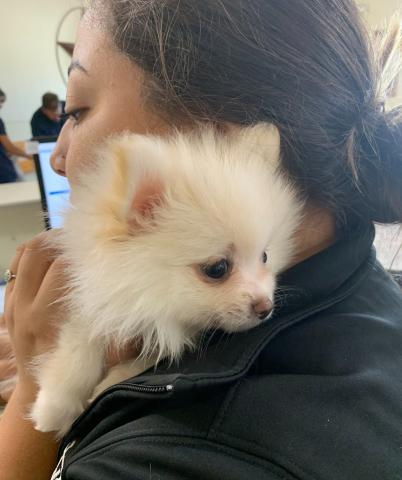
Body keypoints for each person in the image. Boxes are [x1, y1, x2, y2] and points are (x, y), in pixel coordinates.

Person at [1, 1, 402, 478]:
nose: (58, 155)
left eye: (79, 110)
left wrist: (31, 390)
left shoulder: (180, 456)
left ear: (214, 141)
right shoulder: (359, 288)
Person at [0, 89, 32, 183]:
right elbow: (9, 147)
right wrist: (29, 156)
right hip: (4, 173)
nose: (1, 106)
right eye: (0, 101)